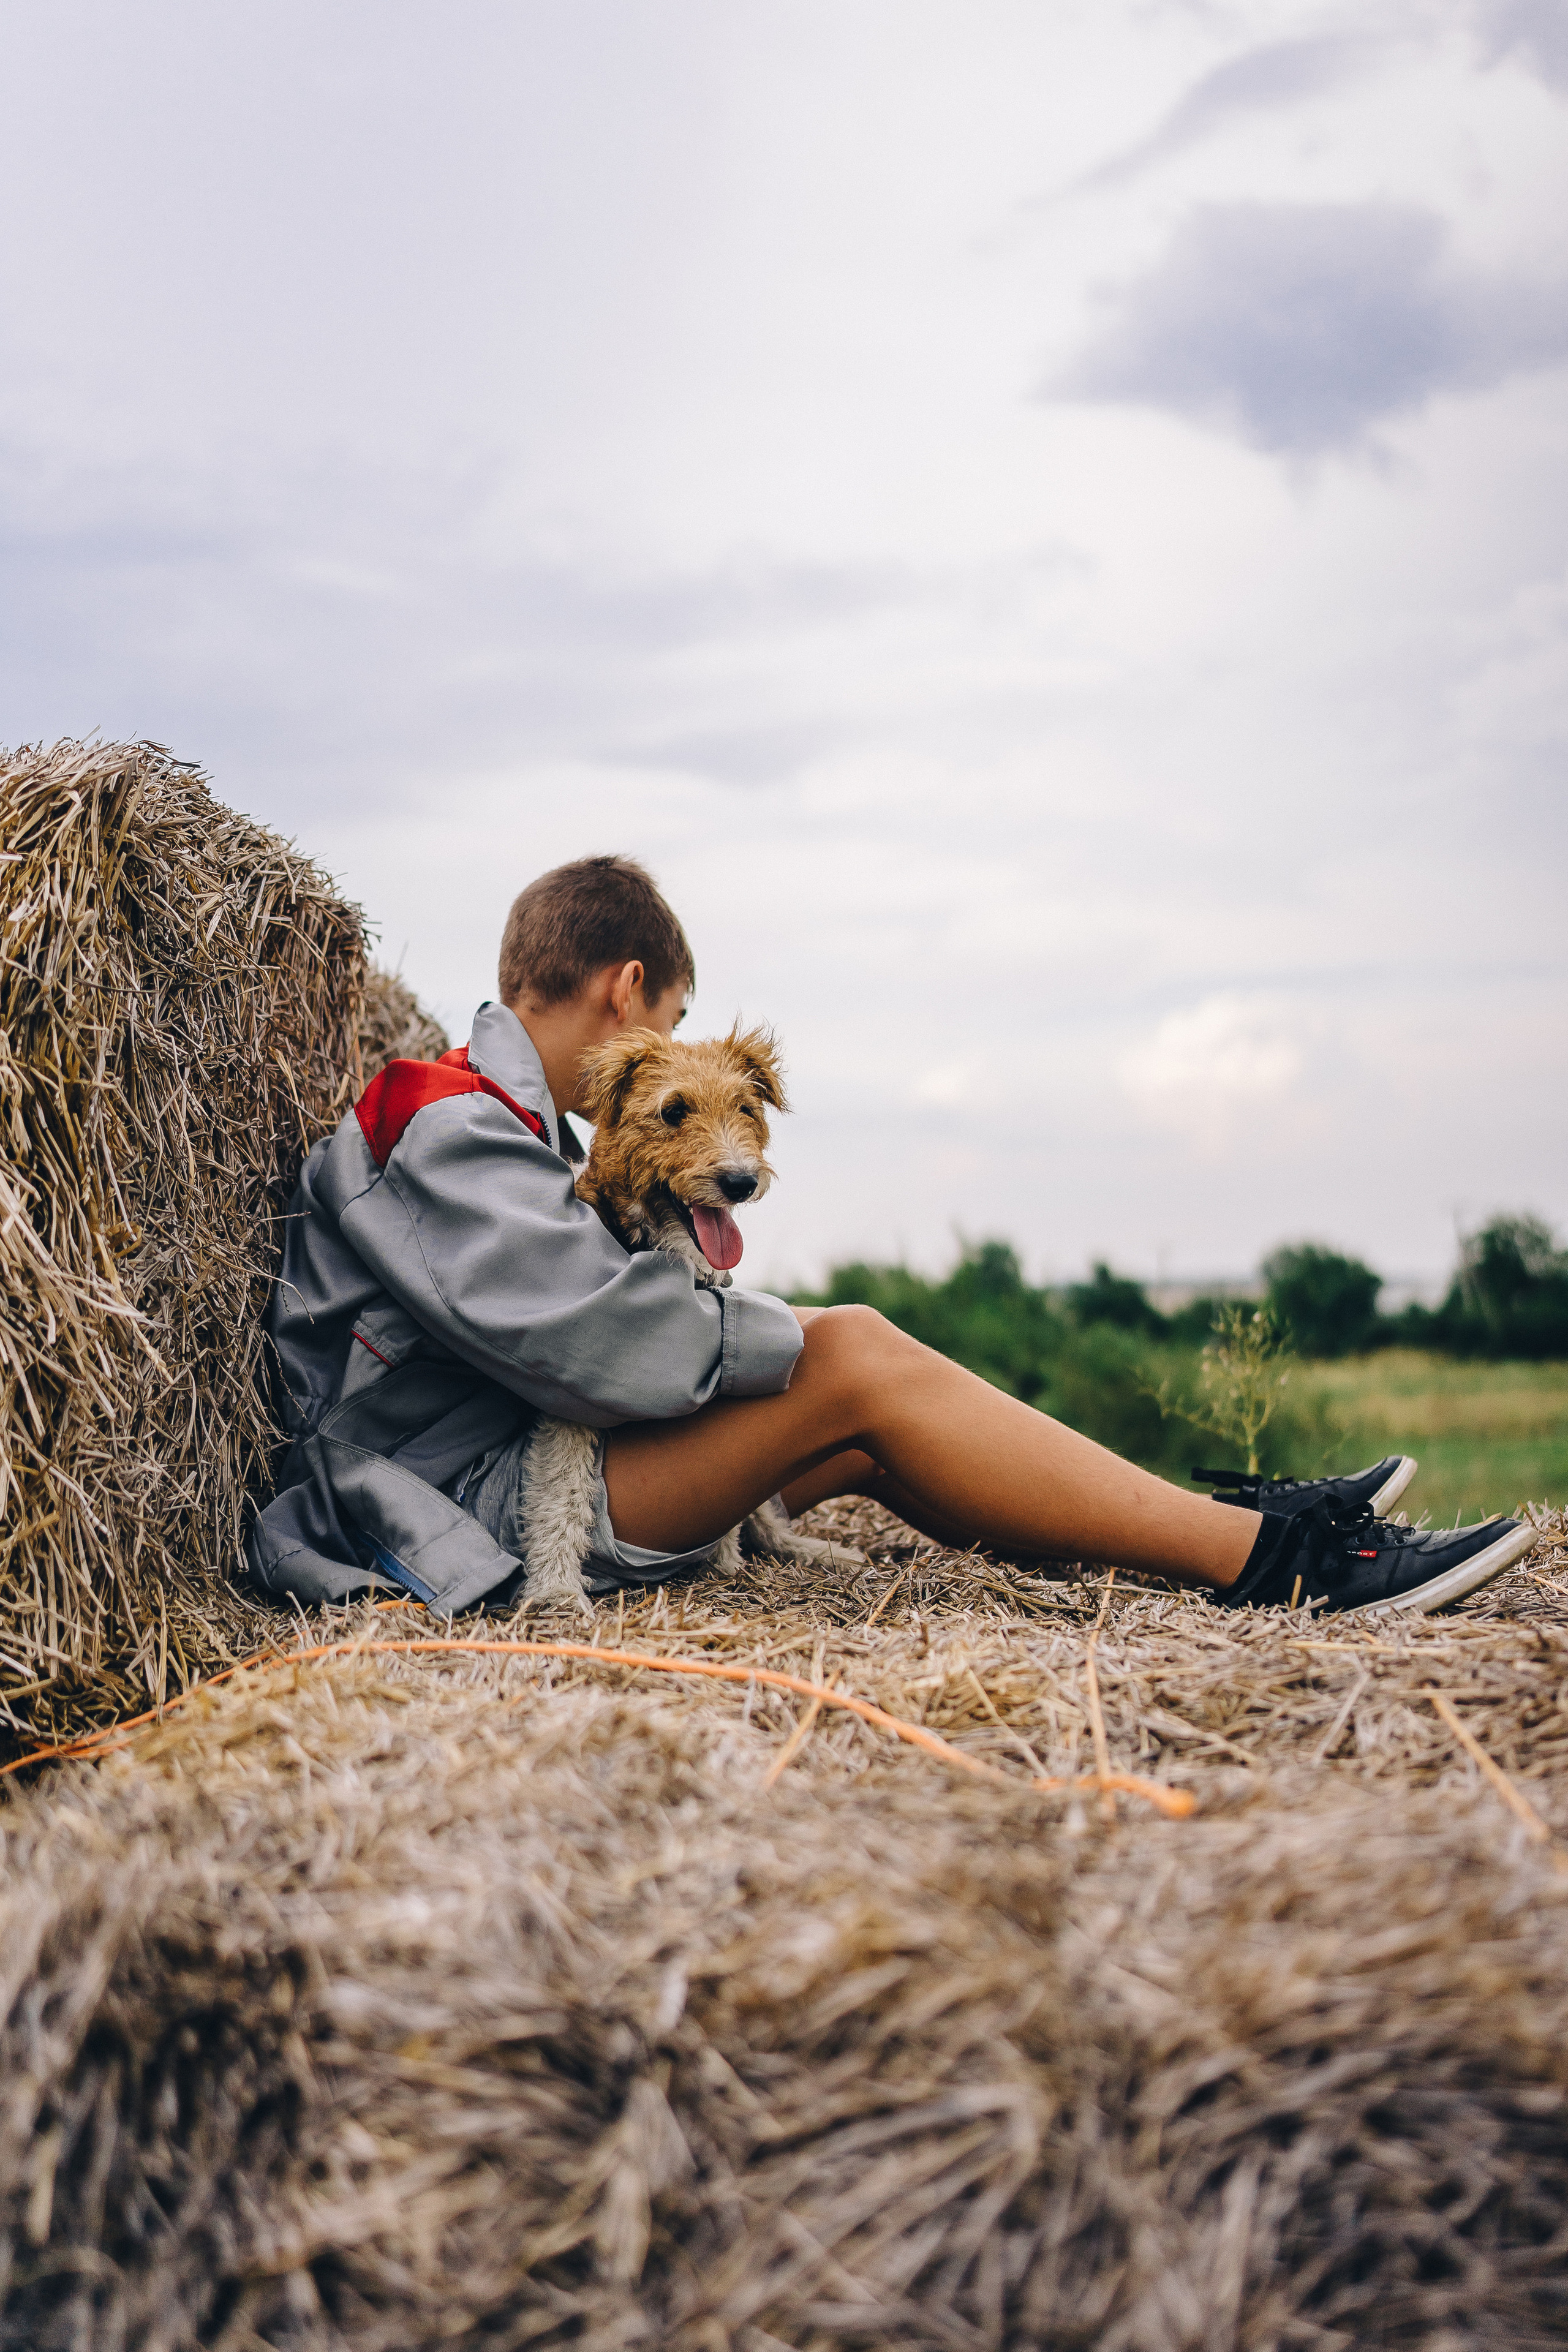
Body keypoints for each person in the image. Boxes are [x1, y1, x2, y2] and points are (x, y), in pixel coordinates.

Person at [249, 856, 1534, 1619]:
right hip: (453, 1511)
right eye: (674, 1018)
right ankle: (1276, 1564)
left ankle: (1193, 1529)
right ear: (628, 992)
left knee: (865, 1431)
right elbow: (606, 1350)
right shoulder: (443, 1123)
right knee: (853, 1355)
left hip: (493, 1467)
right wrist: (793, 1339)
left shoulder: (499, 1130)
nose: (674, 1046)